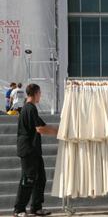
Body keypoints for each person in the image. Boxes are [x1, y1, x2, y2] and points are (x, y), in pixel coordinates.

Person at [13, 84, 58, 217]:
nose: (41, 95)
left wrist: (59, 130)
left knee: (40, 178)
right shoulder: (30, 108)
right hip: (28, 149)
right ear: (36, 93)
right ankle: (19, 209)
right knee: (28, 179)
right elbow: (40, 129)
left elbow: (43, 125)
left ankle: (36, 208)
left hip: (34, 150)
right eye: (40, 93)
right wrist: (59, 133)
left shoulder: (30, 109)